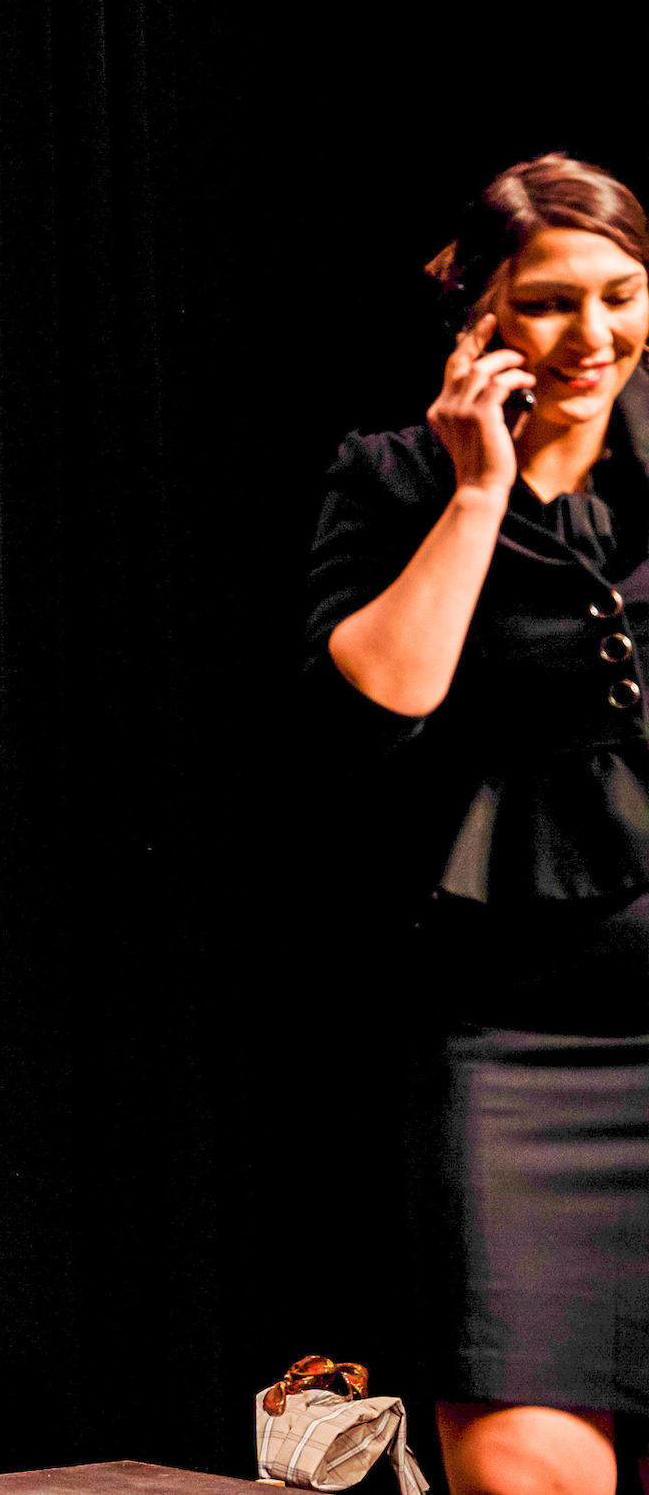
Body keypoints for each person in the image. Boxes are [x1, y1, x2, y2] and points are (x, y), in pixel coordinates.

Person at [302, 154, 647, 1495]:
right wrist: (478, 488)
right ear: (480, 315)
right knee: (521, 1465)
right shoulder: (393, 477)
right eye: (551, 302)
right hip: (515, 1047)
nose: (593, 334)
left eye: (621, 294)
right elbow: (379, 699)